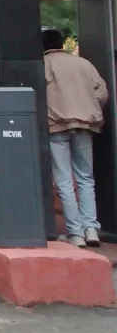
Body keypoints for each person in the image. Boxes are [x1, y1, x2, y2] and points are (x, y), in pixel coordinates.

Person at [43, 29, 110, 247]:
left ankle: (75, 233)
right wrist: (89, 109)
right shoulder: (84, 64)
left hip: (56, 125)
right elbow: (102, 93)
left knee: (63, 179)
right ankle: (91, 228)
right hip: (85, 124)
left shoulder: (44, 64)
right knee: (85, 177)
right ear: (62, 43)